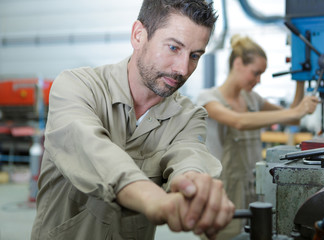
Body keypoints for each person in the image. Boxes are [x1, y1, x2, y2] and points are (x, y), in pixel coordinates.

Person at [30, 1, 236, 240]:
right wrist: (154, 200)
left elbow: (189, 156)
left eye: (195, 56)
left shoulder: (189, 116)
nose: (182, 69)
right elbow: (89, 146)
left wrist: (195, 187)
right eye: (173, 48)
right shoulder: (77, 86)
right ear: (138, 35)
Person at [196, 34, 319, 239]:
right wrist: (296, 112)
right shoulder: (208, 98)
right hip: (223, 190)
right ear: (237, 63)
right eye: (256, 73)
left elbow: (293, 119)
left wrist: (300, 79)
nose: (259, 80)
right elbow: (239, 121)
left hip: (254, 187)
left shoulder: (251, 98)